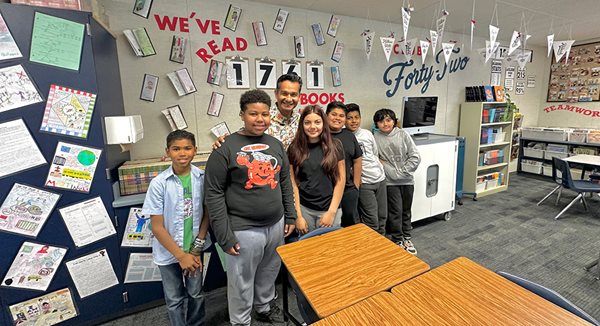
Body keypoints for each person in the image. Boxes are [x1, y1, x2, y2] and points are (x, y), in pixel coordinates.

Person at [204, 89, 296, 326]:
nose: (260, 119)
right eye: (253, 113)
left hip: (276, 224)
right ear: (242, 115)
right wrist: (224, 235)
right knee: (241, 281)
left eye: (265, 114)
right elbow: (213, 194)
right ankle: (241, 321)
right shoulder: (224, 149)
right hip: (243, 228)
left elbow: (284, 182)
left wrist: (291, 215)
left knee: (268, 272)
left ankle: (264, 307)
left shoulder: (275, 144)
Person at [142, 130, 211, 326]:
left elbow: (207, 214)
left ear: (195, 150)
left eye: (187, 148)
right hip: (169, 253)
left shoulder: (202, 178)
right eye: (176, 149)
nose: (182, 153)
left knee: (196, 293)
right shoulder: (159, 184)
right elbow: (157, 227)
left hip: (195, 248)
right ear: (168, 152)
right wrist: (181, 256)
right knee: (174, 299)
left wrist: (196, 247)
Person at [288, 105, 345, 234]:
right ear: (302, 125)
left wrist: (331, 212)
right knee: (308, 250)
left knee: (331, 249)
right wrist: (298, 215)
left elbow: (340, 180)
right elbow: (293, 183)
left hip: (330, 209)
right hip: (304, 209)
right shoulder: (294, 148)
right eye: (307, 122)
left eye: (317, 122)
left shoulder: (335, 146)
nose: (312, 127)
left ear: (323, 123)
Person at [373, 109, 421, 255]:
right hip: (389, 183)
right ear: (377, 124)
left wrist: (399, 173)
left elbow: (415, 157)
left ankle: (407, 237)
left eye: (388, 120)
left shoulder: (403, 134)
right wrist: (391, 172)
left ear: (394, 121)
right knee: (395, 211)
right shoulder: (375, 137)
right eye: (381, 121)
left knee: (406, 210)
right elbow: (377, 160)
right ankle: (397, 239)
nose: (385, 124)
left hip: (407, 180)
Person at [213, 73, 302, 151]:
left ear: (299, 96)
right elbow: (243, 137)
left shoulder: (302, 120)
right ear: (276, 93)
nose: (289, 99)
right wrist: (224, 144)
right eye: (284, 94)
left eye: (293, 94)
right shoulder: (262, 117)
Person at [345, 103, 387, 235]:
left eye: (356, 117)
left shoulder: (367, 134)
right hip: (365, 184)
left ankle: (384, 246)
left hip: (380, 180)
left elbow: (375, 153)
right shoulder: (344, 137)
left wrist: (380, 167)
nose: (353, 121)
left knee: (382, 216)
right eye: (349, 118)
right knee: (371, 220)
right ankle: (372, 250)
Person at [325, 102, 362, 227]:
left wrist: (356, 186)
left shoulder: (349, 136)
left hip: (348, 191)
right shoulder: (319, 136)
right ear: (326, 116)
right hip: (326, 192)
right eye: (334, 114)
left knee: (350, 226)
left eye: (341, 116)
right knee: (329, 227)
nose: (337, 118)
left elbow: (357, 160)